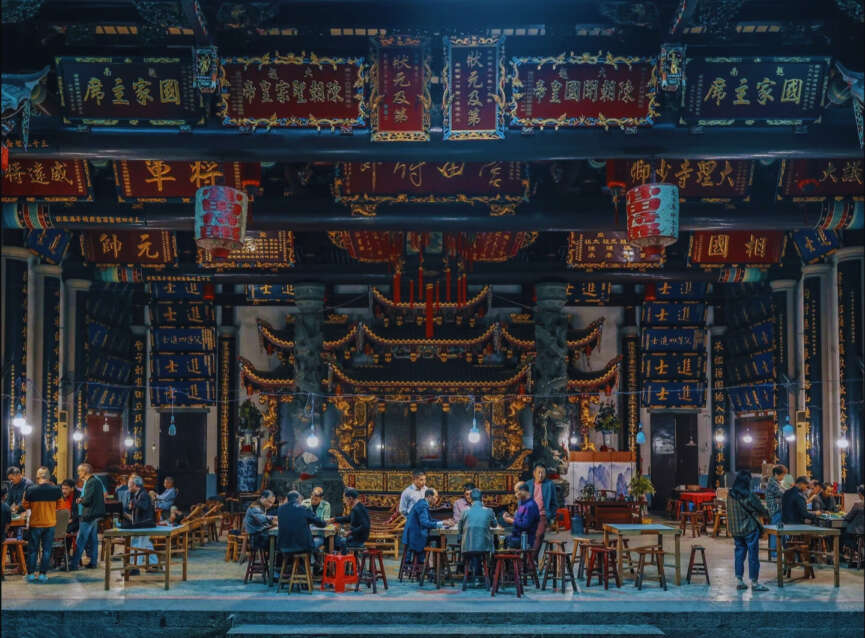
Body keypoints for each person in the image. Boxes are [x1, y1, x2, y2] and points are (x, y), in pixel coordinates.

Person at [727, 469, 770, 591]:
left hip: (736, 530)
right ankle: (755, 583)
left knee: (739, 554)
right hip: (750, 529)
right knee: (753, 556)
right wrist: (767, 514)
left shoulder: (730, 495)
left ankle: (739, 581)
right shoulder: (749, 495)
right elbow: (761, 509)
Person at [20, 467, 64, 582]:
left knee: (33, 550)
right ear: (49, 477)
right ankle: (42, 574)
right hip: (50, 524)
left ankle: (30, 574)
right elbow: (60, 506)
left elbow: (24, 505)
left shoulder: (30, 489)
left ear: (37, 476)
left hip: (35, 524)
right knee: (47, 550)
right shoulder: (56, 490)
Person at [70, 463, 105, 570]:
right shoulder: (97, 481)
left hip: (88, 515)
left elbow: (87, 500)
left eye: (79, 471)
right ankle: (93, 562)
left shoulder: (90, 482)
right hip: (94, 515)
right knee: (93, 540)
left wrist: (80, 500)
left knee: (80, 540)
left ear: (85, 472)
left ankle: (73, 564)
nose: (78, 473)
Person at [278, 490, 327, 567]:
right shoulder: (303, 509)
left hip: (284, 546)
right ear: (299, 499)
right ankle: (314, 564)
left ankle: (307, 564)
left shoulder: (280, 509)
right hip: (303, 547)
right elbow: (321, 523)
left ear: (287, 499)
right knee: (320, 539)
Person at [458, 488, 496, 586]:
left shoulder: (465, 512)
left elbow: (460, 530)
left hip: (468, 548)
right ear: (482, 498)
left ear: (470, 499)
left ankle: (473, 576)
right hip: (484, 547)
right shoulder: (489, 511)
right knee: (480, 549)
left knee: (473, 548)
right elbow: (494, 525)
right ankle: (487, 576)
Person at [126, 475, 157, 573]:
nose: (128, 488)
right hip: (143, 524)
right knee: (147, 545)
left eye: (129, 485)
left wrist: (133, 503)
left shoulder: (143, 494)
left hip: (144, 524)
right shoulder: (138, 494)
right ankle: (155, 564)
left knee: (137, 545)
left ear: (135, 485)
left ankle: (135, 568)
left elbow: (143, 506)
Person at [524, 463, 557, 556]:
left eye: (543, 473)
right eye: (538, 472)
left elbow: (555, 503)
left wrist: (550, 515)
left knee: (538, 535)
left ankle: (532, 561)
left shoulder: (549, 484)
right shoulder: (527, 484)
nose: (540, 475)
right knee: (524, 537)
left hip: (542, 515)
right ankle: (528, 561)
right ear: (534, 473)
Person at [403, 488, 443, 560]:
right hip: (415, 537)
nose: (437, 499)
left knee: (437, 538)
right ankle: (433, 565)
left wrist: (443, 522)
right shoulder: (422, 505)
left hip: (412, 535)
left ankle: (431, 565)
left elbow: (429, 520)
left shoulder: (422, 503)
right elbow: (424, 523)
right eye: (436, 497)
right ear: (429, 497)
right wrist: (441, 523)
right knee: (440, 539)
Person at [330, 488, 370, 553]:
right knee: (338, 536)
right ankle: (344, 559)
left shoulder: (358, 509)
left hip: (358, 539)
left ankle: (344, 559)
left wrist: (350, 532)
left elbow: (365, 526)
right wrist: (335, 519)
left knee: (338, 540)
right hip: (355, 536)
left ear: (350, 499)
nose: (344, 501)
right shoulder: (356, 507)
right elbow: (348, 518)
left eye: (345, 498)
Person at [503, 482, 540, 550]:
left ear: (523, 491)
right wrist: (510, 517)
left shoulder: (530, 506)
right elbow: (519, 520)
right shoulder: (523, 504)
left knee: (500, 542)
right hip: (517, 537)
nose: (516, 494)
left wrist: (512, 521)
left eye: (517, 492)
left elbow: (525, 525)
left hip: (524, 539)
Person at [765, 464, 786, 559]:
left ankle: (777, 551)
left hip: (779, 509)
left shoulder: (776, 482)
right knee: (775, 532)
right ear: (777, 474)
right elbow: (782, 494)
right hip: (775, 510)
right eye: (782, 475)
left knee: (779, 531)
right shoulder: (772, 483)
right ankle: (774, 553)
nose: (783, 477)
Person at [842, 486, 864, 568]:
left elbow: (849, 517)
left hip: (857, 531)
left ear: (859, 493)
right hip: (862, 532)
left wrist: (843, 516)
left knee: (843, 535)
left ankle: (855, 553)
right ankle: (860, 552)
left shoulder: (858, 504)